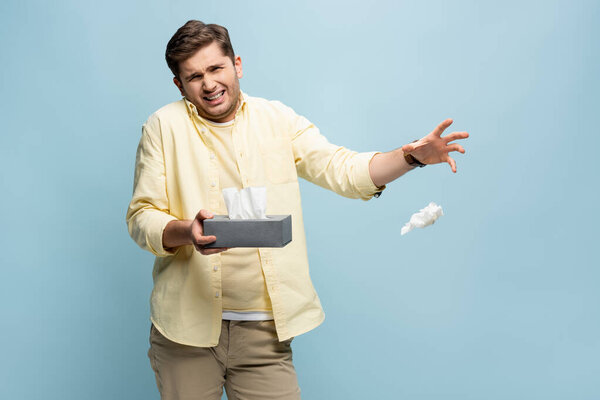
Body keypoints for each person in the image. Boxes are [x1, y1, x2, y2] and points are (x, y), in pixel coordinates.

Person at [126, 20, 468, 400]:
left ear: (236, 65)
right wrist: (187, 231)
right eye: (194, 76)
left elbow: (344, 170)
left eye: (215, 69)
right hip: (185, 333)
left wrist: (411, 157)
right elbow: (142, 217)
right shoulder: (162, 126)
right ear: (179, 85)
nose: (208, 84)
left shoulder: (278, 119)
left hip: (265, 333)